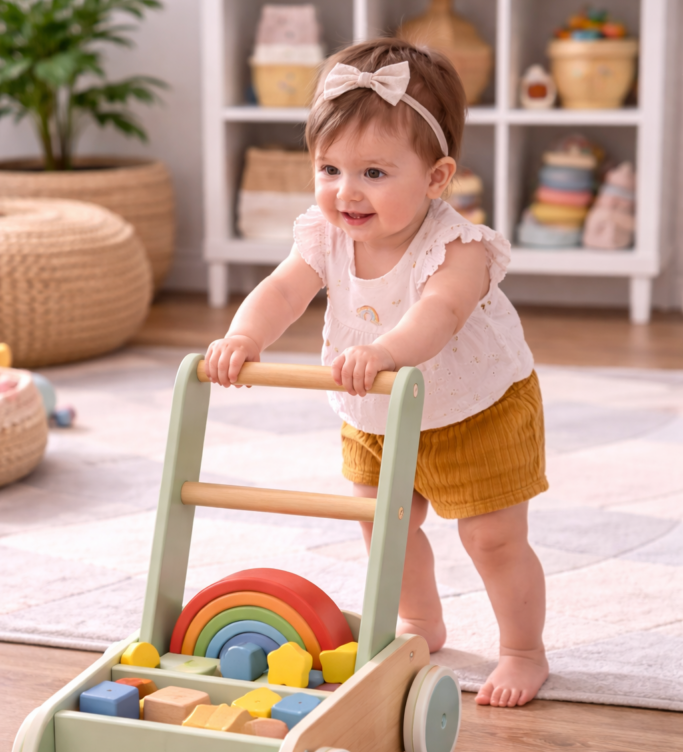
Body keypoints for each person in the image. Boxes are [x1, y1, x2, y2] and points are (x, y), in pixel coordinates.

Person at [205, 40, 549, 708]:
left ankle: (522, 650)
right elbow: (281, 292)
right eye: (328, 168)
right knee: (383, 521)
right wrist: (243, 336)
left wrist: (388, 351)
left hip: (474, 409)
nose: (346, 192)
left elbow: (439, 314)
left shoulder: (458, 250)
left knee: (491, 536)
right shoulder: (324, 235)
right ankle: (420, 620)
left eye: (373, 173)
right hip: (374, 408)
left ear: (436, 176)